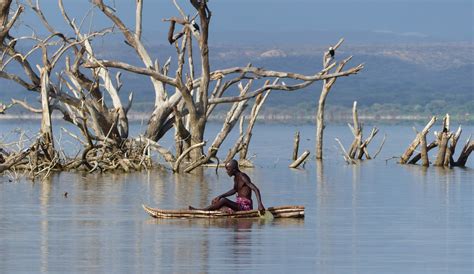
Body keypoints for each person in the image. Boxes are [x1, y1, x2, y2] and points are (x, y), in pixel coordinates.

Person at [189, 159, 265, 214]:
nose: (227, 171)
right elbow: (234, 190)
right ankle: (222, 210)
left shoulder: (243, 176)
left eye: (228, 169)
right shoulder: (236, 177)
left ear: (234, 169)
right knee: (217, 201)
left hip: (245, 206)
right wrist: (219, 196)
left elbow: (255, 189)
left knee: (224, 200)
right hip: (238, 204)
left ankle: (201, 210)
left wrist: (260, 204)